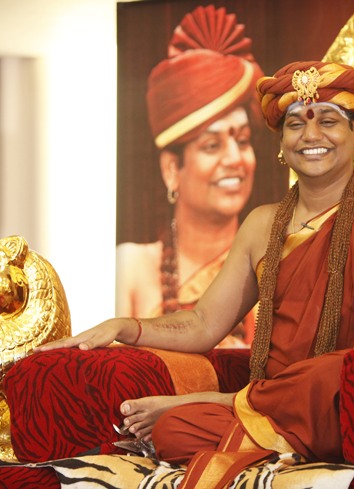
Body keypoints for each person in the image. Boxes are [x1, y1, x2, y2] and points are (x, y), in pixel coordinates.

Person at [37, 60, 354, 485]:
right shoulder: (263, 224)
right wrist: (123, 327)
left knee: (333, 371)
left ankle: (228, 402)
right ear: (282, 143)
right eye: (296, 124)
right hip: (276, 410)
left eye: (328, 121)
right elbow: (203, 323)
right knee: (174, 430)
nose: (311, 136)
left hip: (350, 394)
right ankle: (263, 423)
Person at [116, 5, 263, 346]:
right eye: (212, 145)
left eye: (243, 141)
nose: (235, 159)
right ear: (172, 169)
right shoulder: (131, 267)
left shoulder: (272, 269)